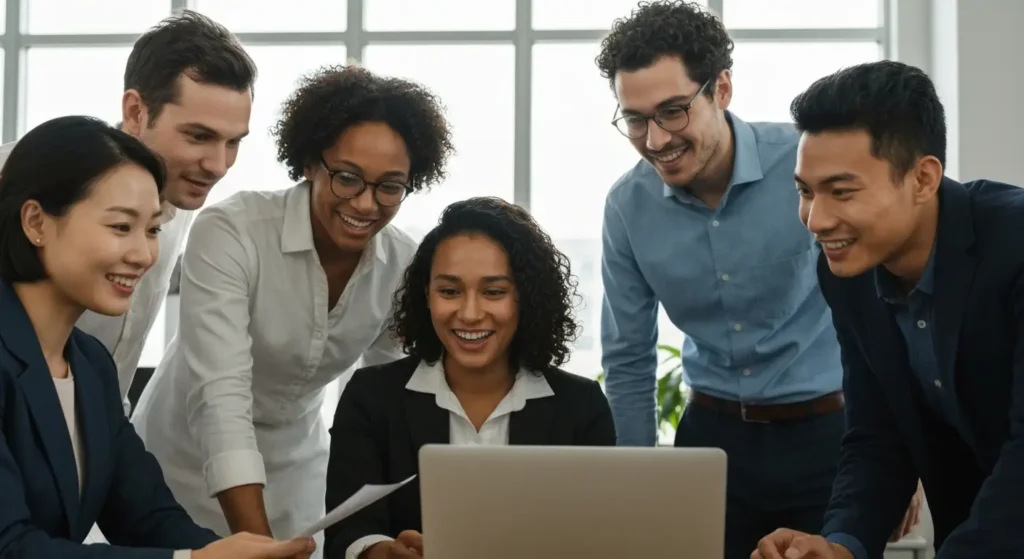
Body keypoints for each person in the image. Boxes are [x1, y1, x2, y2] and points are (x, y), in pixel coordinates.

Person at [593, 2, 922, 557]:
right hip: (711, 441)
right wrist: (636, 480)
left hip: (832, 436)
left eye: (673, 112)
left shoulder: (807, 167)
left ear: (721, 89)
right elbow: (628, 357)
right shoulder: (627, 207)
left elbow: (891, 307)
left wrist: (905, 453)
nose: (655, 140)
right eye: (635, 119)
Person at [130, 65, 455, 558]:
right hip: (180, 462)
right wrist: (261, 545)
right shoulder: (232, 231)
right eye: (347, 178)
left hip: (299, 468)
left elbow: (387, 406)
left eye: (390, 186)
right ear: (309, 163)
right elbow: (220, 397)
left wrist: (378, 536)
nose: (366, 204)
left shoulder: (403, 265)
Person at [0, 115, 315, 559]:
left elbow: (147, 517)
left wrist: (239, 553)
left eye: (151, 230)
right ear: (36, 222)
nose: (144, 255)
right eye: (120, 227)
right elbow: (10, 547)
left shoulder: (90, 365)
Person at [754, 61, 1024, 559]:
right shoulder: (847, 273)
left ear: (923, 178)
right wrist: (842, 545)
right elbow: (877, 434)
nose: (816, 220)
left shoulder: (1014, 246)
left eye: (841, 192)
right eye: (805, 192)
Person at [323, 196, 616, 559]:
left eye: (494, 292)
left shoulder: (581, 406)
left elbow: (598, 537)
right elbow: (347, 533)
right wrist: (379, 552)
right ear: (426, 294)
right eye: (450, 291)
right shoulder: (371, 397)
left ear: (524, 298)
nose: (470, 313)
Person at [0, 10, 255, 415]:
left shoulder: (180, 192)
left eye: (233, 142)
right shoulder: (17, 177)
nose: (218, 165)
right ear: (136, 112)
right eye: (198, 136)